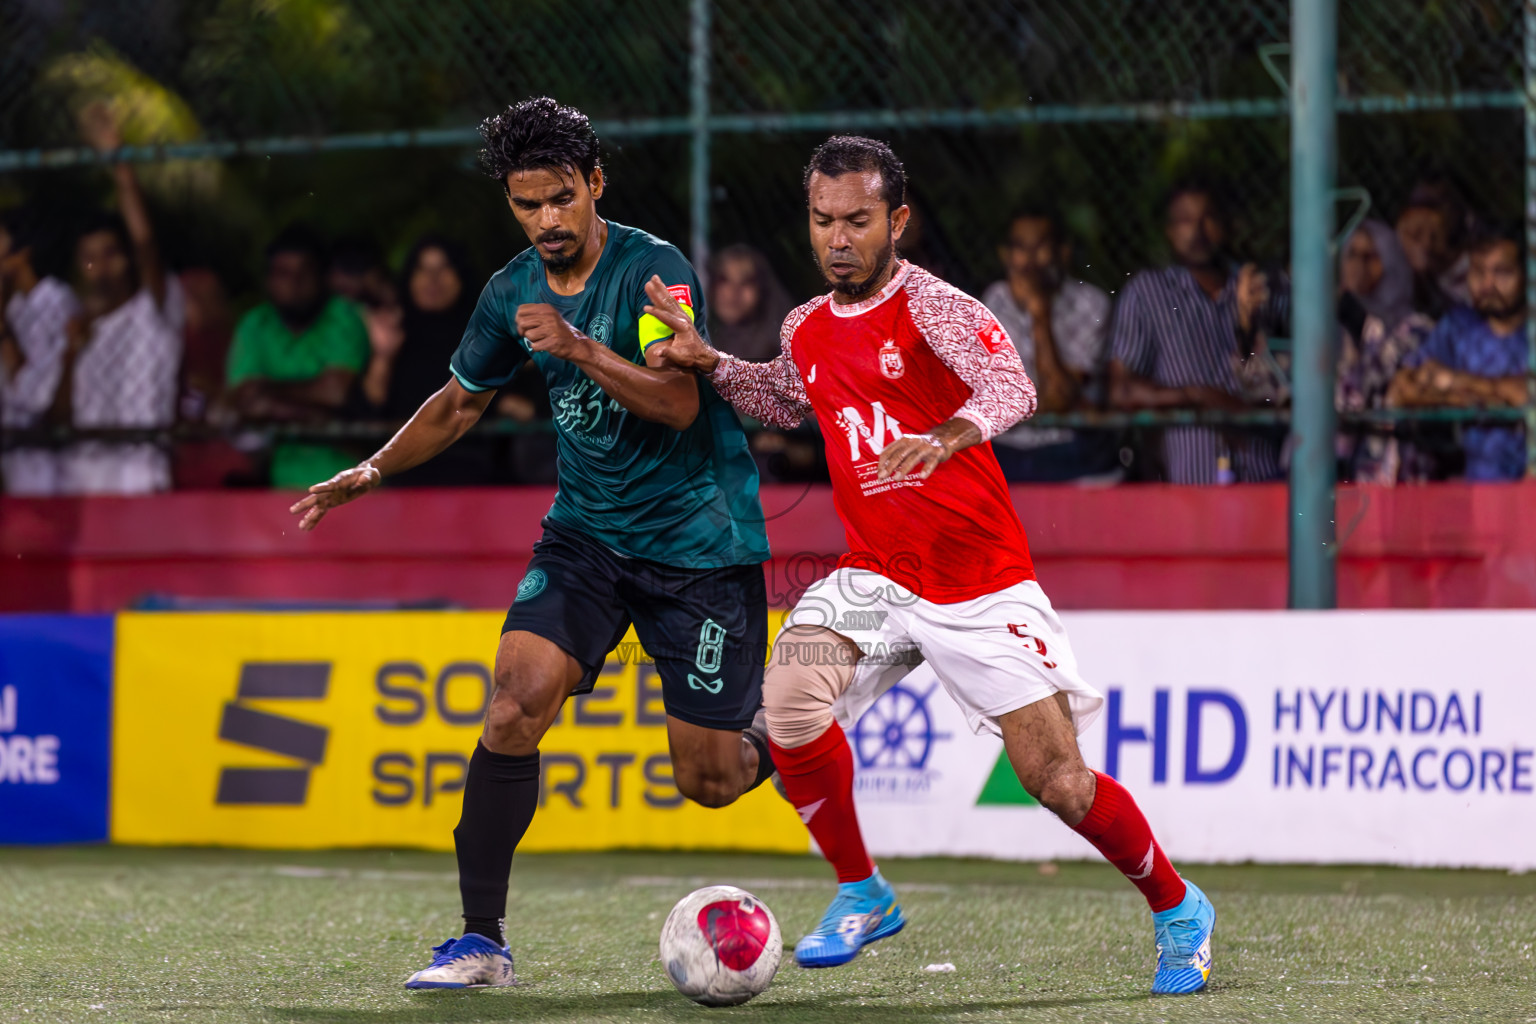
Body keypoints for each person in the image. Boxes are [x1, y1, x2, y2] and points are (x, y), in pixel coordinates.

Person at [647, 135, 1214, 995]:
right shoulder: (804, 325)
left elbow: (1012, 387)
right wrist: (711, 361)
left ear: (896, 221)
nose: (838, 238)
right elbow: (781, 397)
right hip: (876, 575)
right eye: (823, 220)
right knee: (789, 705)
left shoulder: (935, 307)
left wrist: (946, 435)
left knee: (1056, 781)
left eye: (858, 221)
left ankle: (1178, 908)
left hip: (977, 582)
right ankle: (861, 890)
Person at [286, 97, 775, 988]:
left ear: (594, 184)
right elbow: (459, 402)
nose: (545, 220)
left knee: (709, 780)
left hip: (701, 547)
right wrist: (372, 469)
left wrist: (582, 347)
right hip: (585, 537)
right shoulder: (509, 288)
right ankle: (481, 940)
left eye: (558, 198)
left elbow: (677, 404)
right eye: (525, 204)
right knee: (512, 706)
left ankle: (793, 720)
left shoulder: (655, 273)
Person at [1108, 182, 1288, 484]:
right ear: (1168, 231)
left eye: (1209, 218)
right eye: (1184, 220)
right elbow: (1121, 391)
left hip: (1266, 474)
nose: (1198, 231)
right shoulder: (1147, 293)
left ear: (1227, 225)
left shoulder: (1261, 288)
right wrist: (1197, 395)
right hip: (1192, 480)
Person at [53, 105, 183, 495]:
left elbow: (146, 245)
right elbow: (60, 419)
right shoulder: (77, 330)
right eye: (89, 258)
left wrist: (119, 164)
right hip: (82, 483)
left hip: (140, 478)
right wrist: (71, 353)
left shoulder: (151, 312)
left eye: (110, 253)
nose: (100, 266)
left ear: (125, 260)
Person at [226, 225, 370, 489]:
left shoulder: (344, 317)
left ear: (322, 276)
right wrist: (317, 418)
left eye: (305, 271)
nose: (294, 282)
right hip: (279, 488)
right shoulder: (255, 324)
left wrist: (269, 396)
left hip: (352, 486)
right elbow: (245, 400)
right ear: (268, 279)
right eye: (283, 272)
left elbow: (335, 392)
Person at [980, 209, 1117, 481]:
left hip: (1069, 447)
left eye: (1041, 247)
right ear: (1006, 256)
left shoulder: (1091, 304)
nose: (1030, 261)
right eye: (1020, 248)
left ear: (1062, 252)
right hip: (1007, 448)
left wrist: (1039, 313)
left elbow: (1058, 399)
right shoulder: (994, 301)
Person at [1388, 224, 1529, 481]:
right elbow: (1402, 389)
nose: (1488, 285)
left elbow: (1526, 393)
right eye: (1478, 272)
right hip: (1474, 484)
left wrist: (1454, 381)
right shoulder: (1458, 326)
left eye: (1502, 273)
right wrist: (1472, 400)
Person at [359, 234, 498, 486]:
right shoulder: (393, 336)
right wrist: (383, 357)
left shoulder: (487, 337)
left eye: (443, 268)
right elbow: (368, 411)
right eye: (422, 269)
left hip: (473, 479)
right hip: (404, 479)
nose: (433, 279)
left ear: (461, 276)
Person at [1334, 220, 1436, 484]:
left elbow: (1358, 394)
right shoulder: (1348, 326)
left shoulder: (1415, 330)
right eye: (1351, 255)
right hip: (1356, 472)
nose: (1358, 266)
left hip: (1403, 471)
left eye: (1370, 256)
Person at [0, 206, 79, 495]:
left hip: (48, 465)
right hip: (14, 461)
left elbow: (33, 395)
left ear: (22, 253)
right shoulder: (16, 305)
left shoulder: (58, 303)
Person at [707, 244, 795, 364]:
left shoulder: (784, 355)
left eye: (746, 281)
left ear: (763, 291)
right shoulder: (704, 342)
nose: (733, 292)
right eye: (724, 279)